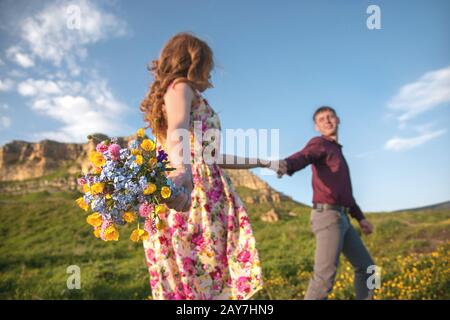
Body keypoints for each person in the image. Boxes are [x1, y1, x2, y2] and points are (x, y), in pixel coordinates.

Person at [139, 32, 266, 300]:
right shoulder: (181, 87)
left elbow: (212, 156)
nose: (211, 73)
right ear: (195, 62)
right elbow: (178, 128)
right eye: (208, 64)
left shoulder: (181, 92)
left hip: (203, 184)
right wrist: (182, 170)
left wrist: (262, 161)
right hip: (194, 187)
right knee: (203, 271)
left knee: (201, 278)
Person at [273, 106, 375, 300]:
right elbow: (305, 155)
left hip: (343, 217)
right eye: (322, 119)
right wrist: (287, 164)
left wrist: (361, 219)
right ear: (316, 126)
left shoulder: (337, 151)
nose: (327, 121)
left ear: (338, 120)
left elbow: (346, 194)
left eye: (330, 117)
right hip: (327, 217)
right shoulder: (320, 143)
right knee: (324, 279)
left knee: (370, 269)